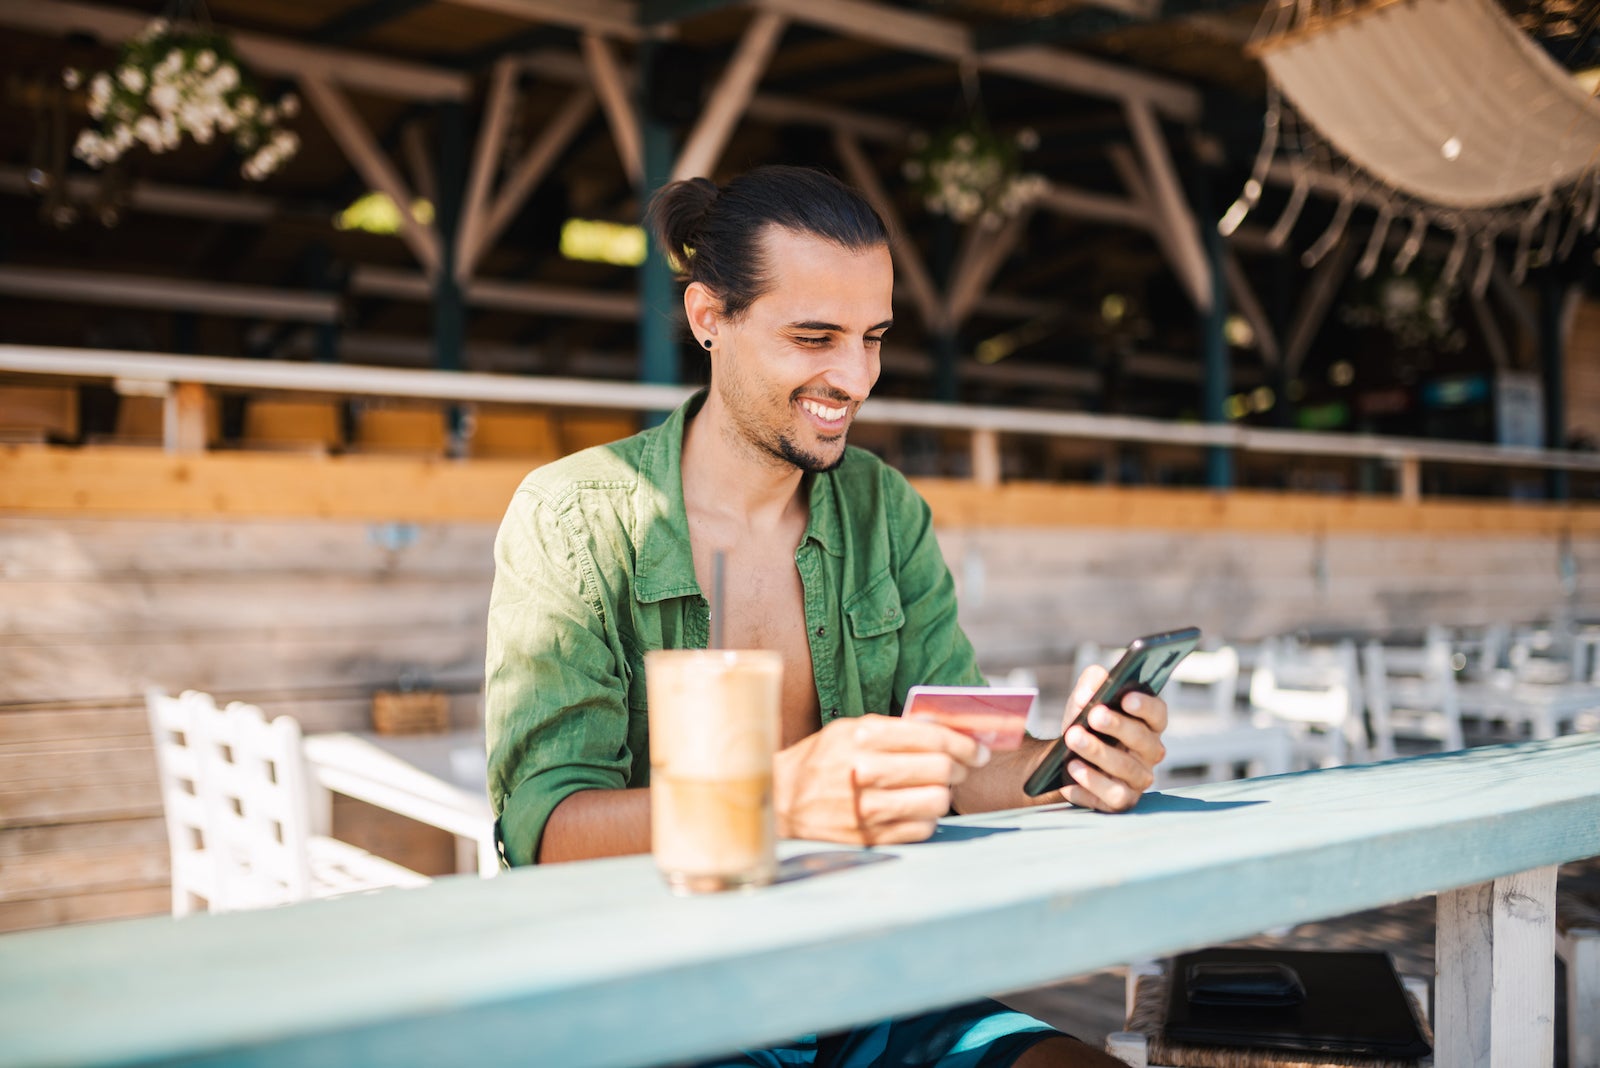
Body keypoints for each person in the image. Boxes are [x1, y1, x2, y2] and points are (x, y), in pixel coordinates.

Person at [486, 165, 1169, 1068]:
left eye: (873, 338)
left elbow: (959, 763)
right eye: (814, 337)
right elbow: (550, 833)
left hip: (877, 980)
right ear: (708, 319)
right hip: (658, 1001)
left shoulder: (886, 510)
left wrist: (1077, 762)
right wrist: (779, 803)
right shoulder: (573, 514)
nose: (853, 377)